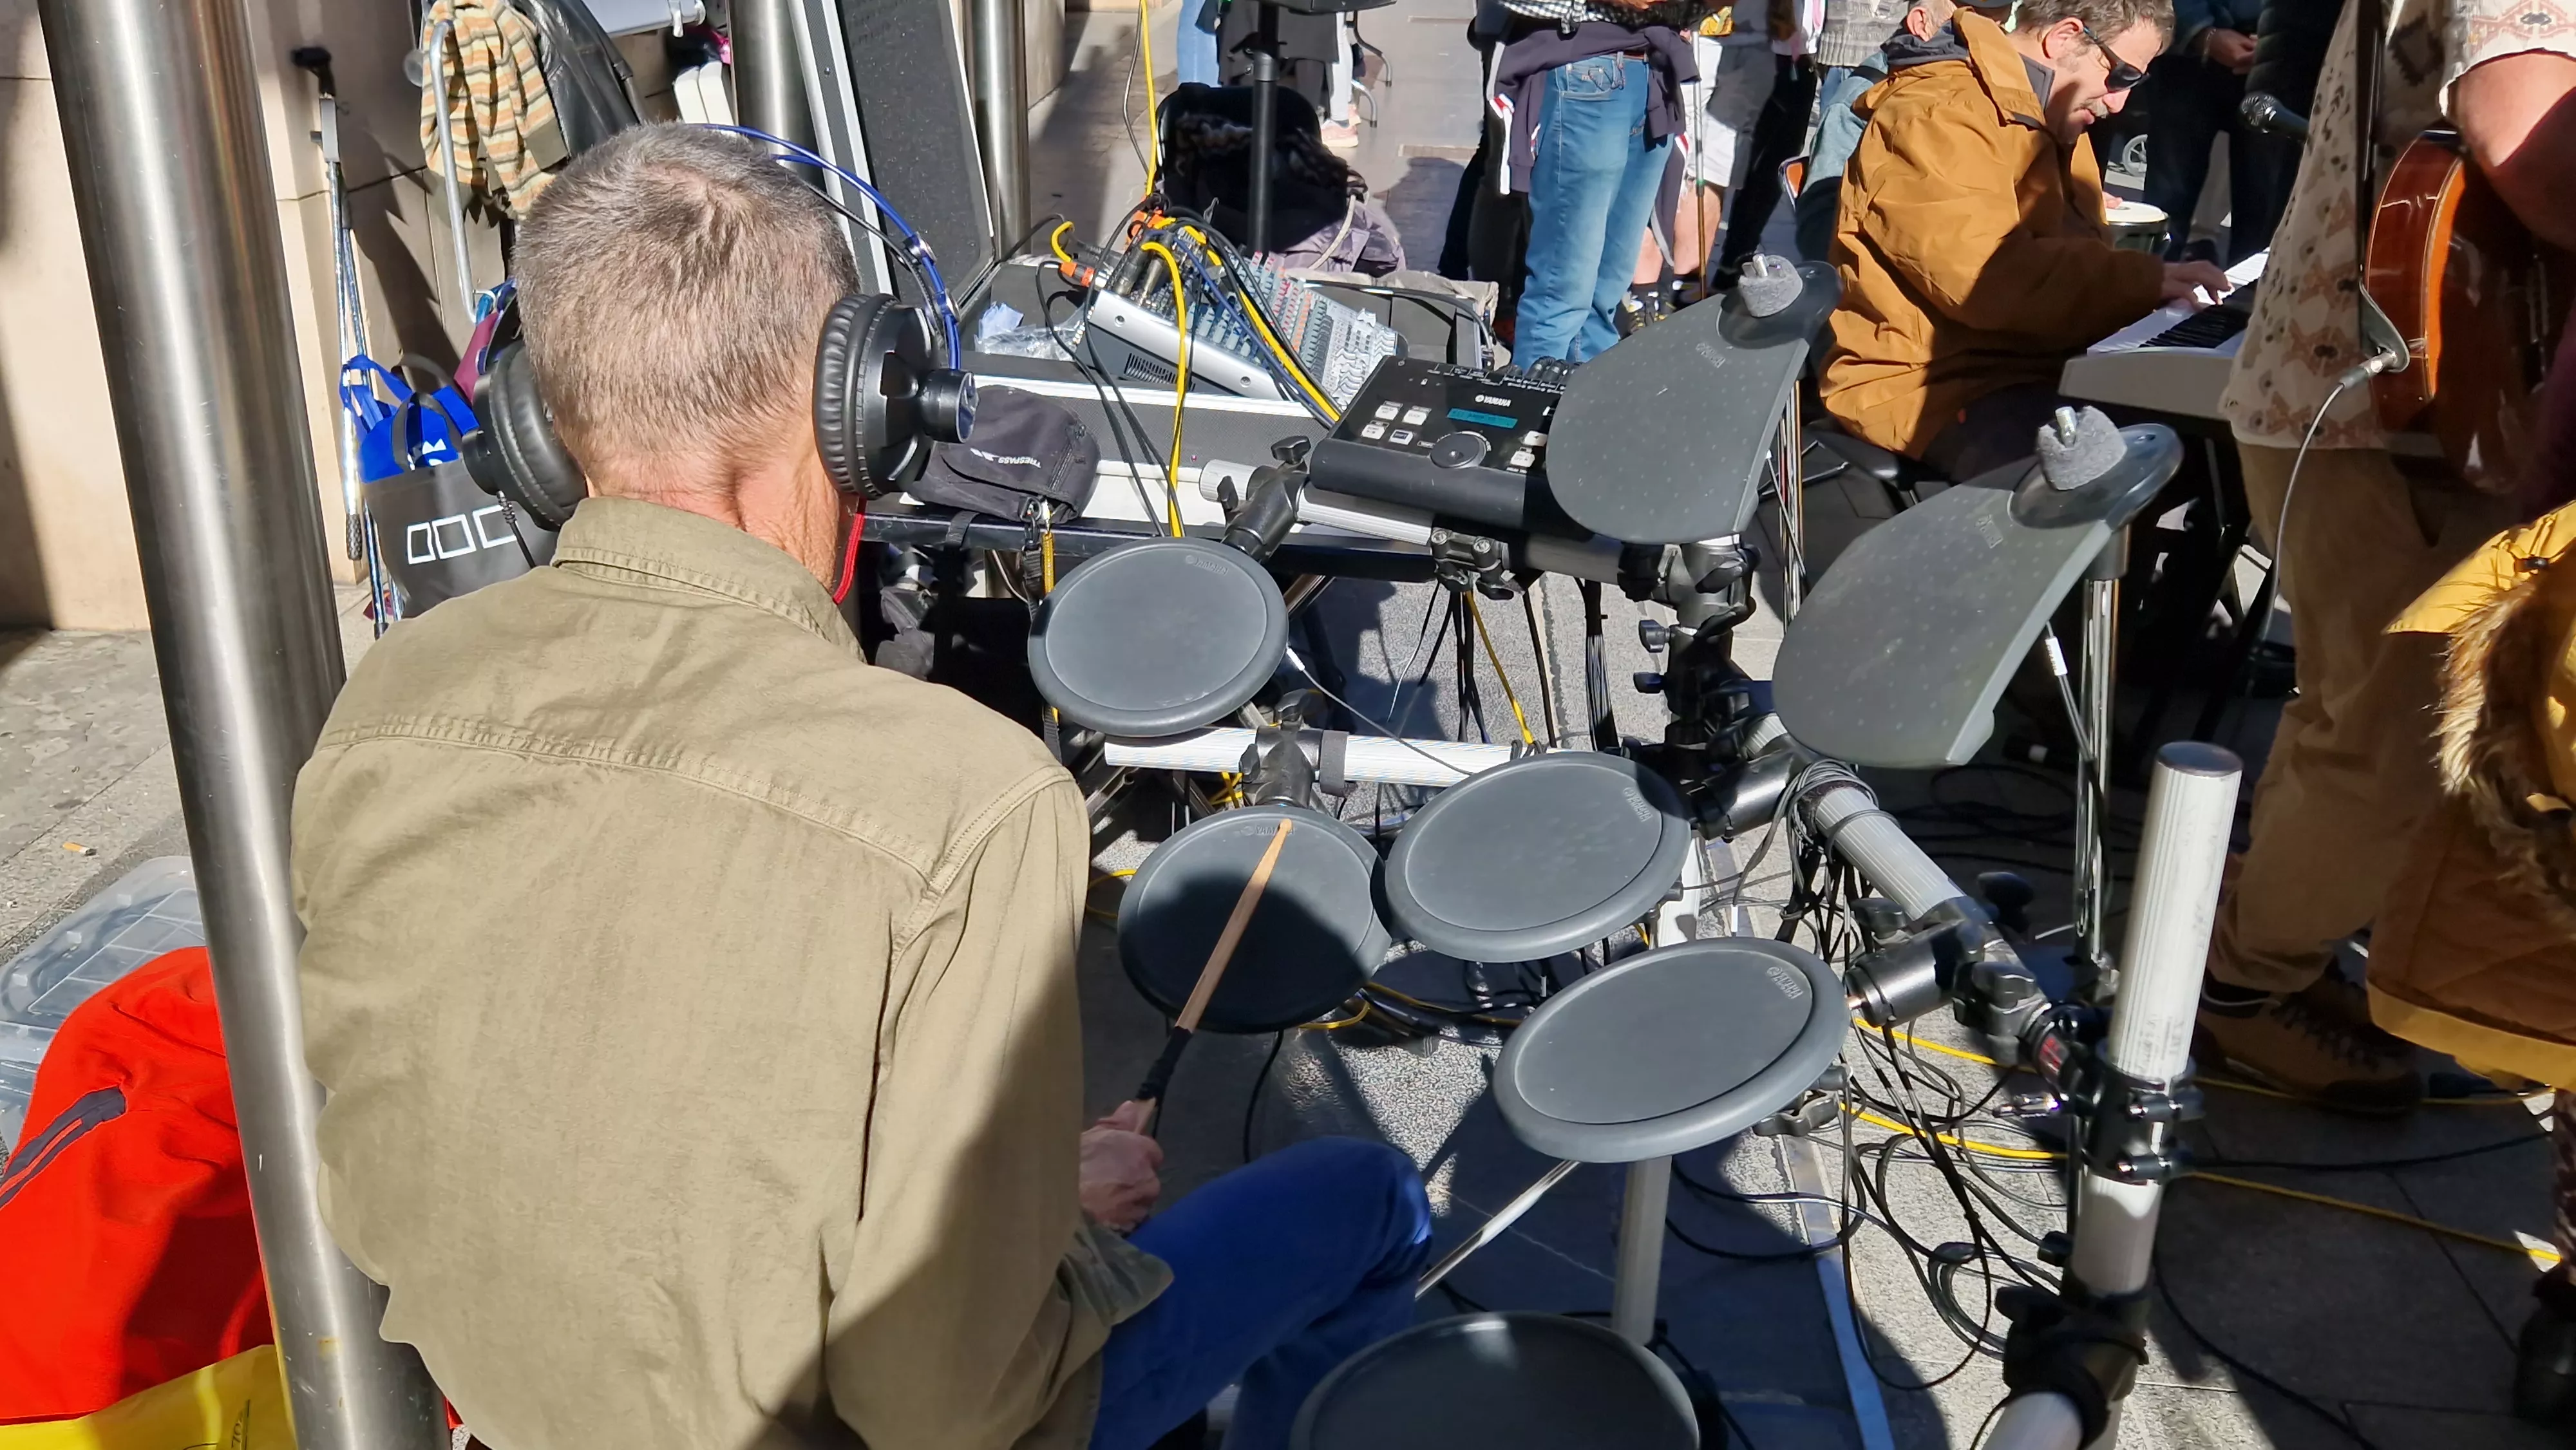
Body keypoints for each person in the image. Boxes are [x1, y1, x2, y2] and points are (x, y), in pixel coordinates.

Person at [291, 124, 1430, 1450]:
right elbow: (943, 1403)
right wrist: (1050, 1252)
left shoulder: (389, 705)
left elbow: (543, 1134)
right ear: (864, 401)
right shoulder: (966, 803)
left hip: (509, 1405)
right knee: (1368, 1196)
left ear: (538, 425)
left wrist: (1018, 1209)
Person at [2197, 3, 2576, 1114]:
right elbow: (2539, 150)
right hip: (2400, 414)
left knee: (2355, 722)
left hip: (2394, 397)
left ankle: (2266, 953)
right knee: (2390, 740)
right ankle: (2238, 990)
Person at [1816, 0, 2230, 479]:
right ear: (2064, 37)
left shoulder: (2049, 113)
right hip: (1932, 386)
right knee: (2105, 472)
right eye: (2121, 76)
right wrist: (2144, 281)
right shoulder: (1940, 113)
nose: (2119, 102)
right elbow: (1987, 281)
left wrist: (2160, 303)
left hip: (2031, 363)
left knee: (2213, 443)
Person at [1493, 0, 1710, 364]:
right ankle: (1533, 409)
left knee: (1607, 288)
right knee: (1563, 288)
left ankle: (1584, 409)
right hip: (1585, 69)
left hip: (1652, 68)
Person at [1792, 0, 1962, 263]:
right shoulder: (1858, 103)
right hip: (1884, 274)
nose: (1989, 45)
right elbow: (1819, 233)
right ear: (1922, 23)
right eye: (1966, 28)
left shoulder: (1980, 91)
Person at [2138, 0, 2293, 261]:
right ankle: (2149, 289)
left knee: (2265, 216)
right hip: (2189, 60)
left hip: (2281, 58)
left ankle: (2248, 299)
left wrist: (2287, 47)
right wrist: (2200, 33)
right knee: (2166, 207)